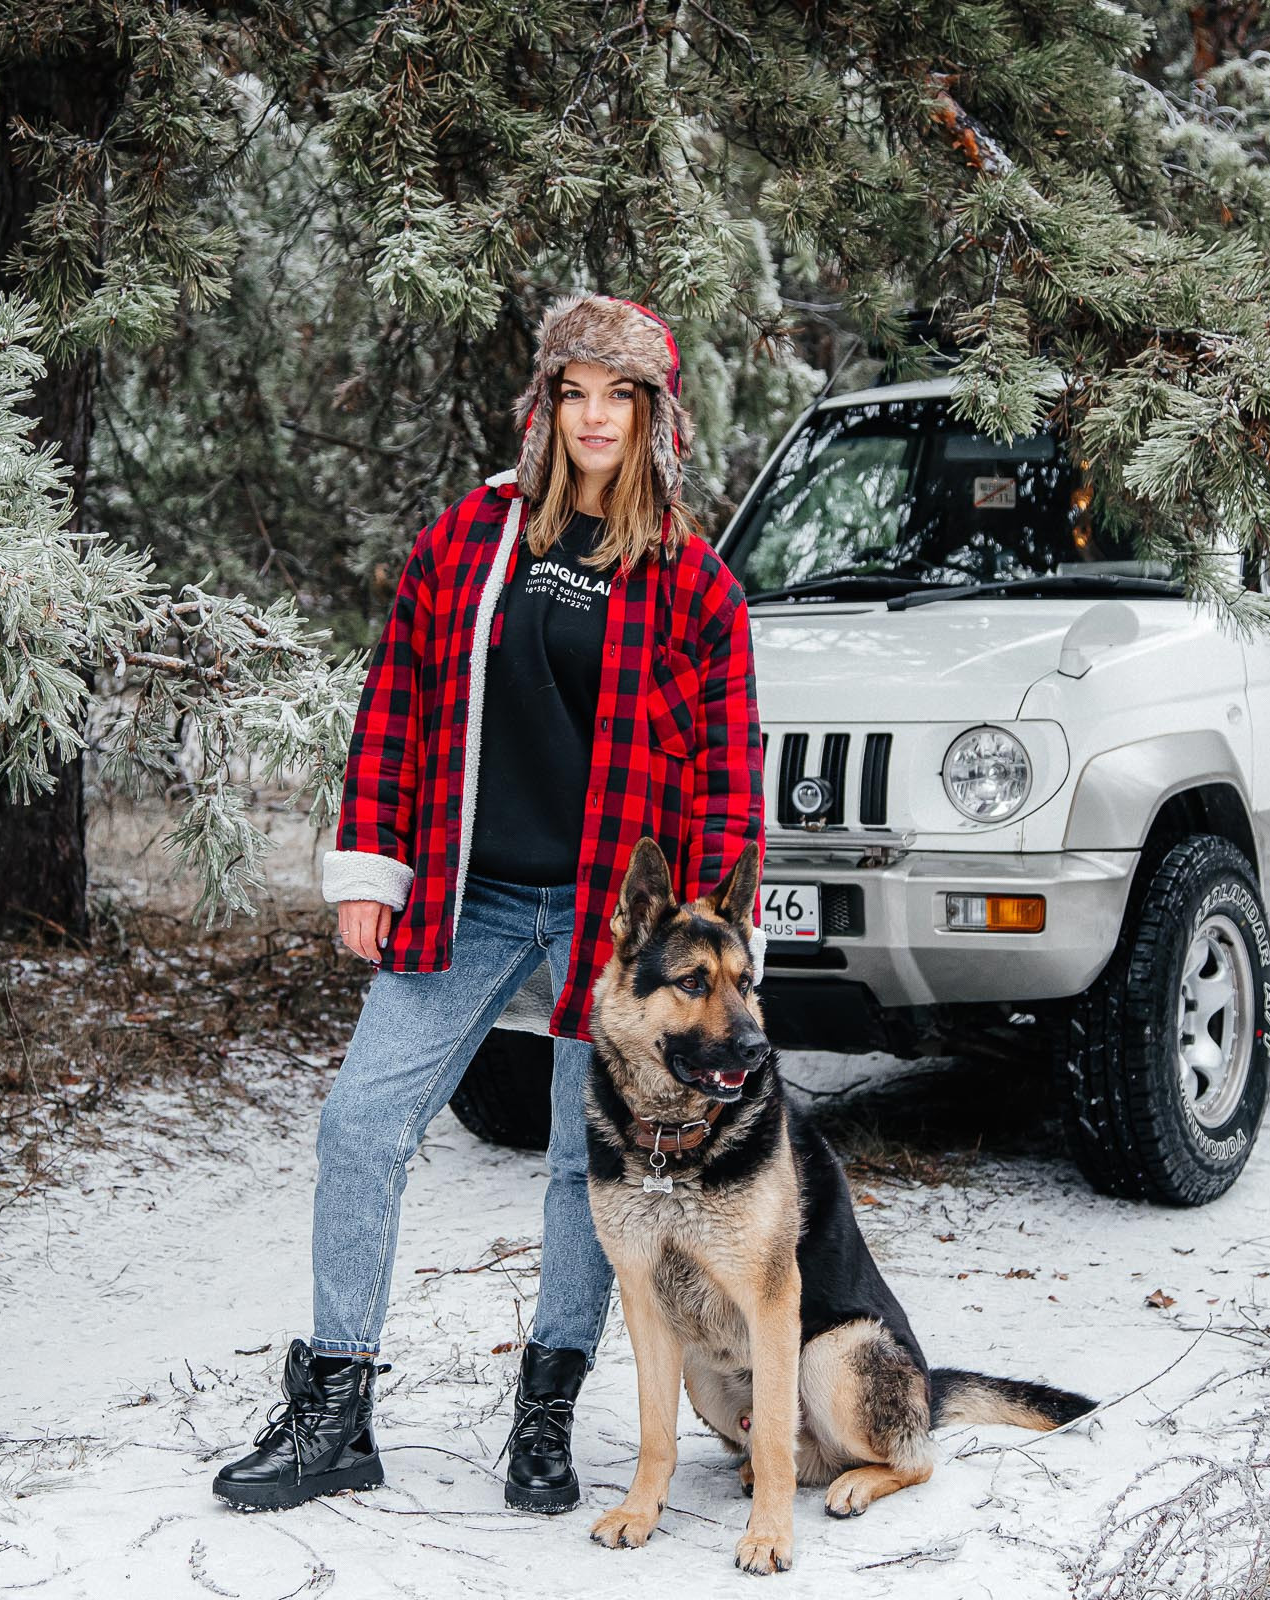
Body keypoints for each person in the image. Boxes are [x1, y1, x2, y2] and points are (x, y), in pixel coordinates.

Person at [212, 291, 767, 1514]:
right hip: (465, 897)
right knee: (362, 1122)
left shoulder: (692, 584)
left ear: (653, 414)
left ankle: (546, 1411)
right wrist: (371, 865)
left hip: (606, 925)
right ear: (546, 405)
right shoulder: (472, 538)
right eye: (574, 392)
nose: (593, 418)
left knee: (582, 1159)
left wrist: (714, 952)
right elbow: (397, 706)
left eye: (618, 395)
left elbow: (730, 782)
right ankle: (337, 1402)